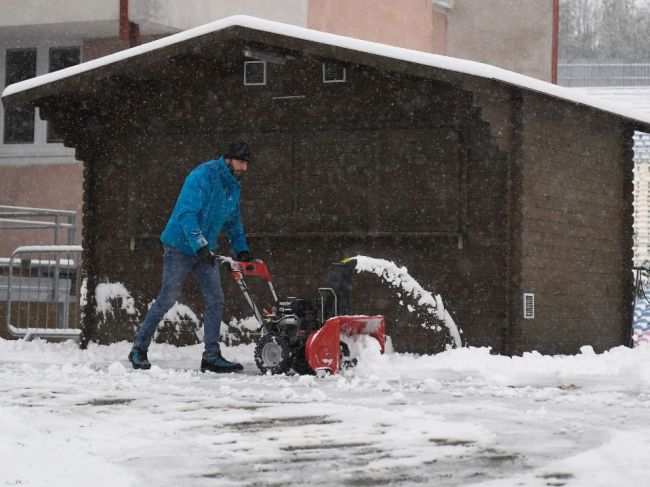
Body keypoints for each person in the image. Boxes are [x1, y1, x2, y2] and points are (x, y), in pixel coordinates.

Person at [128, 139, 255, 373]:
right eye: (240, 162)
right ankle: (139, 349)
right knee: (167, 298)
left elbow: (234, 221)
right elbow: (187, 215)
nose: (244, 168)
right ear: (228, 159)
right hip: (179, 247)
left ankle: (211, 356)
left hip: (204, 250)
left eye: (246, 163)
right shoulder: (202, 176)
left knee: (216, 299)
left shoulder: (233, 185)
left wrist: (243, 250)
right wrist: (199, 245)